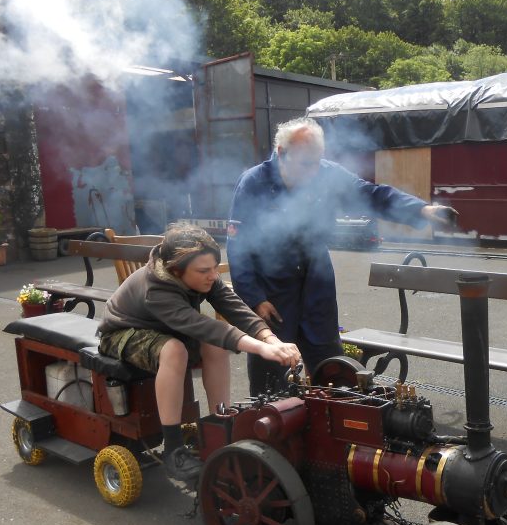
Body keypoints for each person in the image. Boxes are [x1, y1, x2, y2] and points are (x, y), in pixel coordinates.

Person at [228, 117, 457, 395]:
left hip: (316, 282)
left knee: (330, 365)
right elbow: (238, 248)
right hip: (273, 291)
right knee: (274, 372)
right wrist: (255, 298)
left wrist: (423, 211)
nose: (313, 172)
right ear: (280, 153)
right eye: (304, 164)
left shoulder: (326, 173)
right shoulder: (253, 182)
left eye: (317, 162)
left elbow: (372, 195)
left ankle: (332, 427)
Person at [97, 224, 301, 484]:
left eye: (215, 267)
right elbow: (204, 326)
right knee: (175, 351)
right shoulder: (157, 288)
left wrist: (270, 338)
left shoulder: (201, 274)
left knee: (213, 344)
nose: (213, 276)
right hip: (123, 332)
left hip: (168, 328)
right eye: (204, 271)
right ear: (176, 271)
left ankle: (222, 424)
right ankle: (173, 450)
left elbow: (233, 306)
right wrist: (262, 349)